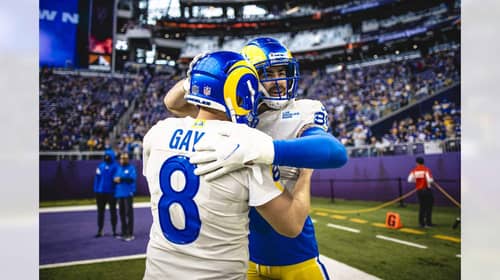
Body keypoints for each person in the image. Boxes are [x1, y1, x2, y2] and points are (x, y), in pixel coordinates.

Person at [164, 38, 347, 279]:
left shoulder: (299, 111)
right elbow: (173, 104)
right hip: (246, 256)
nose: (279, 80)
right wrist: (200, 78)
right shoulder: (233, 111)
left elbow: (335, 152)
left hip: (295, 253)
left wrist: (264, 150)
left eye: (283, 72)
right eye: (268, 73)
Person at [93, 148, 118, 238]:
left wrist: (116, 191)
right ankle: (100, 230)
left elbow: (116, 180)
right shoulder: (100, 166)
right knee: (100, 212)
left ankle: (114, 230)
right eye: (105, 155)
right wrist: (96, 190)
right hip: (100, 193)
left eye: (108, 156)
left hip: (111, 193)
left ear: (112, 156)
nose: (106, 157)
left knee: (113, 211)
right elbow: (97, 178)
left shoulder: (115, 166)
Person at [114, 153, 137, 241]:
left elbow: (132, 178)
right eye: (121, 158)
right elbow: (115, 178)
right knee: (122, 214)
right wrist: (117, 179)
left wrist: (121, 179)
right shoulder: (118, 168)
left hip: (128, 193)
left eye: (125, 158)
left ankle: (130, 233)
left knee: (129, 214)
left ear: (128, 159)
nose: (123, 160)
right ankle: (124, 232)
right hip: (119, 193)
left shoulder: (131, 168)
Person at [407, 156, 435, 228]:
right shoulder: (426, 169)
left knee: (422, 207)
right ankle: (428, 223)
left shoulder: (415, 170)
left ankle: (421, 223)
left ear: (417, 163)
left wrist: (417, 181)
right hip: (426, 190)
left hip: (419, 191)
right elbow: (429, 180)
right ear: (423, 162)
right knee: (428, 207)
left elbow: (409, 180)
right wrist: (432, 181)